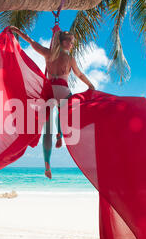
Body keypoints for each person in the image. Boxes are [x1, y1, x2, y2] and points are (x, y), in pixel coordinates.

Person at [9, 26, 95, 179]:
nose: (72, 44)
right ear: (63, 42)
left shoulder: (48, 54)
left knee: (47, 130)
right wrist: (90, 85)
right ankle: (60, 134)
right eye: (70, 41)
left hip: (48, 91)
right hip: (62, 90)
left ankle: (47, 163)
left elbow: (30, 41)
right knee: (64, 114)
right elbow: (79, 74)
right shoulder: (70, 59)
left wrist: (17, 31)